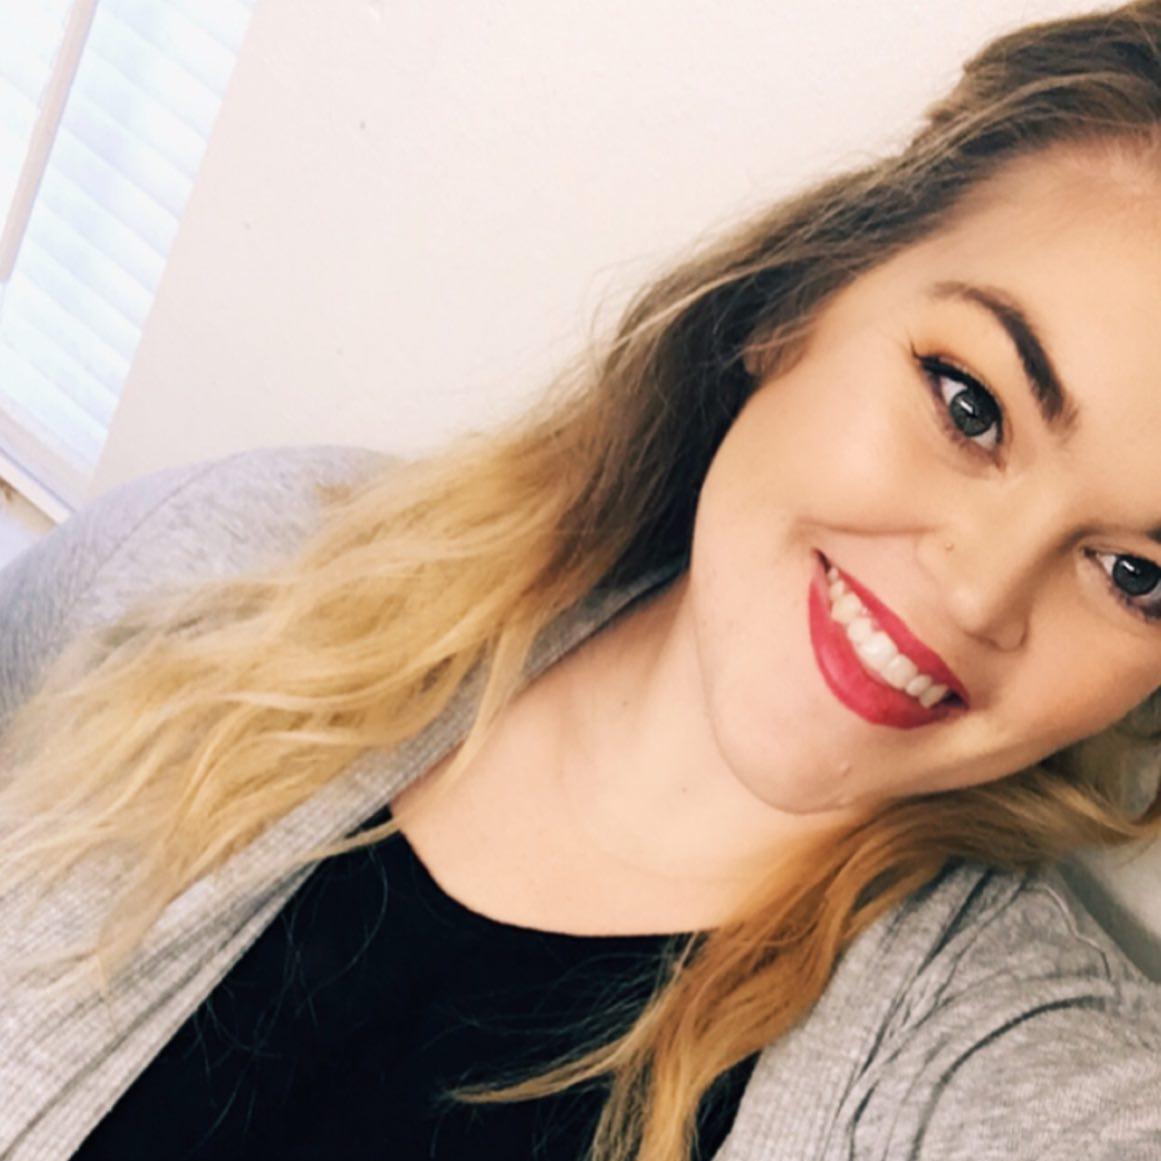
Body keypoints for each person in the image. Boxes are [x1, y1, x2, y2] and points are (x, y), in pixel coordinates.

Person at [1, 2, 1160, 1158]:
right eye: (970, 404)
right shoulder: (232, 563)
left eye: (1135, 574)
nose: (977, 593)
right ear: (815, 290)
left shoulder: (1005, 1061)